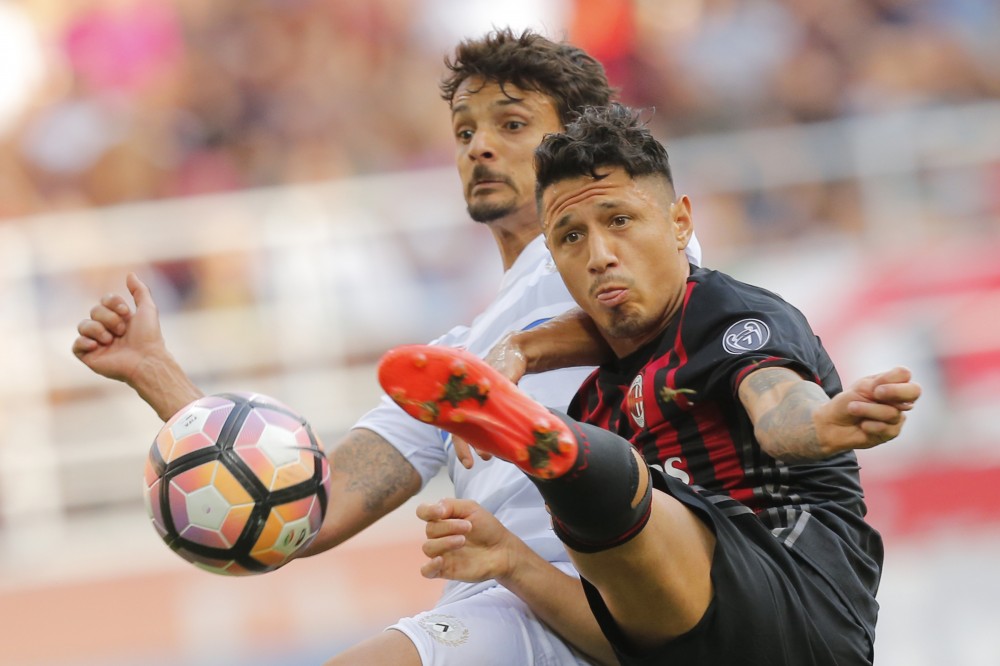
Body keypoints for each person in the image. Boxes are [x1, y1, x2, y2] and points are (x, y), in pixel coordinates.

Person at [72, 30, 697, 666]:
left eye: (511, 124)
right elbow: (308, 503)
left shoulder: (619, 253)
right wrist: (156, 372)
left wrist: (523, 351)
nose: (479, 146)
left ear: (576, 141)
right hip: (501, 603)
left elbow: (669, 303)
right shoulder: (452, 358)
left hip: (613, 598)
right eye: (462, 132)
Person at [378, 103, 922, 665]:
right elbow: (618, 645)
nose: (599, 256)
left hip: (796, 607)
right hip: (682, 647)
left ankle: (558, 458)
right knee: (609, 524)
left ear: (680, 222)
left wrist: (823, 424)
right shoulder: (595, 400)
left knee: (609, 481)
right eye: (569, 237)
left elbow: (781, 409)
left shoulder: (726, 315)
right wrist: (511, 561)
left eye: (619, 221)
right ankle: (559, 463)